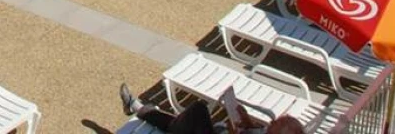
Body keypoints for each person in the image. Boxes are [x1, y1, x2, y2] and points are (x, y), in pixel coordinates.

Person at [119, 84, 304, 134]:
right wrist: (247, 122)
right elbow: (255, 130)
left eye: (278, 123)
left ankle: (137, 107)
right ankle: (137, 107)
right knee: (187, 122)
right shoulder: (270, 131)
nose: (273, 121)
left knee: (197, 112)